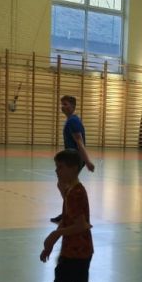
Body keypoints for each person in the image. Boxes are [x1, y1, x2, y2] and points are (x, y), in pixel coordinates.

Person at [40, 150, 129, 282]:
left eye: (60, 167)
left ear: (73, 169)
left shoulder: (77, 193)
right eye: (56, 167)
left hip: (76, 251)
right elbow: (68, 217)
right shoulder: (71, 190)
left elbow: (81, 225)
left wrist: (55, 234)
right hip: (78, 249)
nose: (56, 171)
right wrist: (52, 243)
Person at [51, 95, 95, 224]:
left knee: (65, 185)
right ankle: (69, 211)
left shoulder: (73, 121)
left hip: (75, 159)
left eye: (66, 104)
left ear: (73, 106)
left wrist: (87, 161)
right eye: (62, 104)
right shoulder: (71, 120)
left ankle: (72, 213)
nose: (63, 106)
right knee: (65, 185)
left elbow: (79, 142)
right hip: (71, 157)